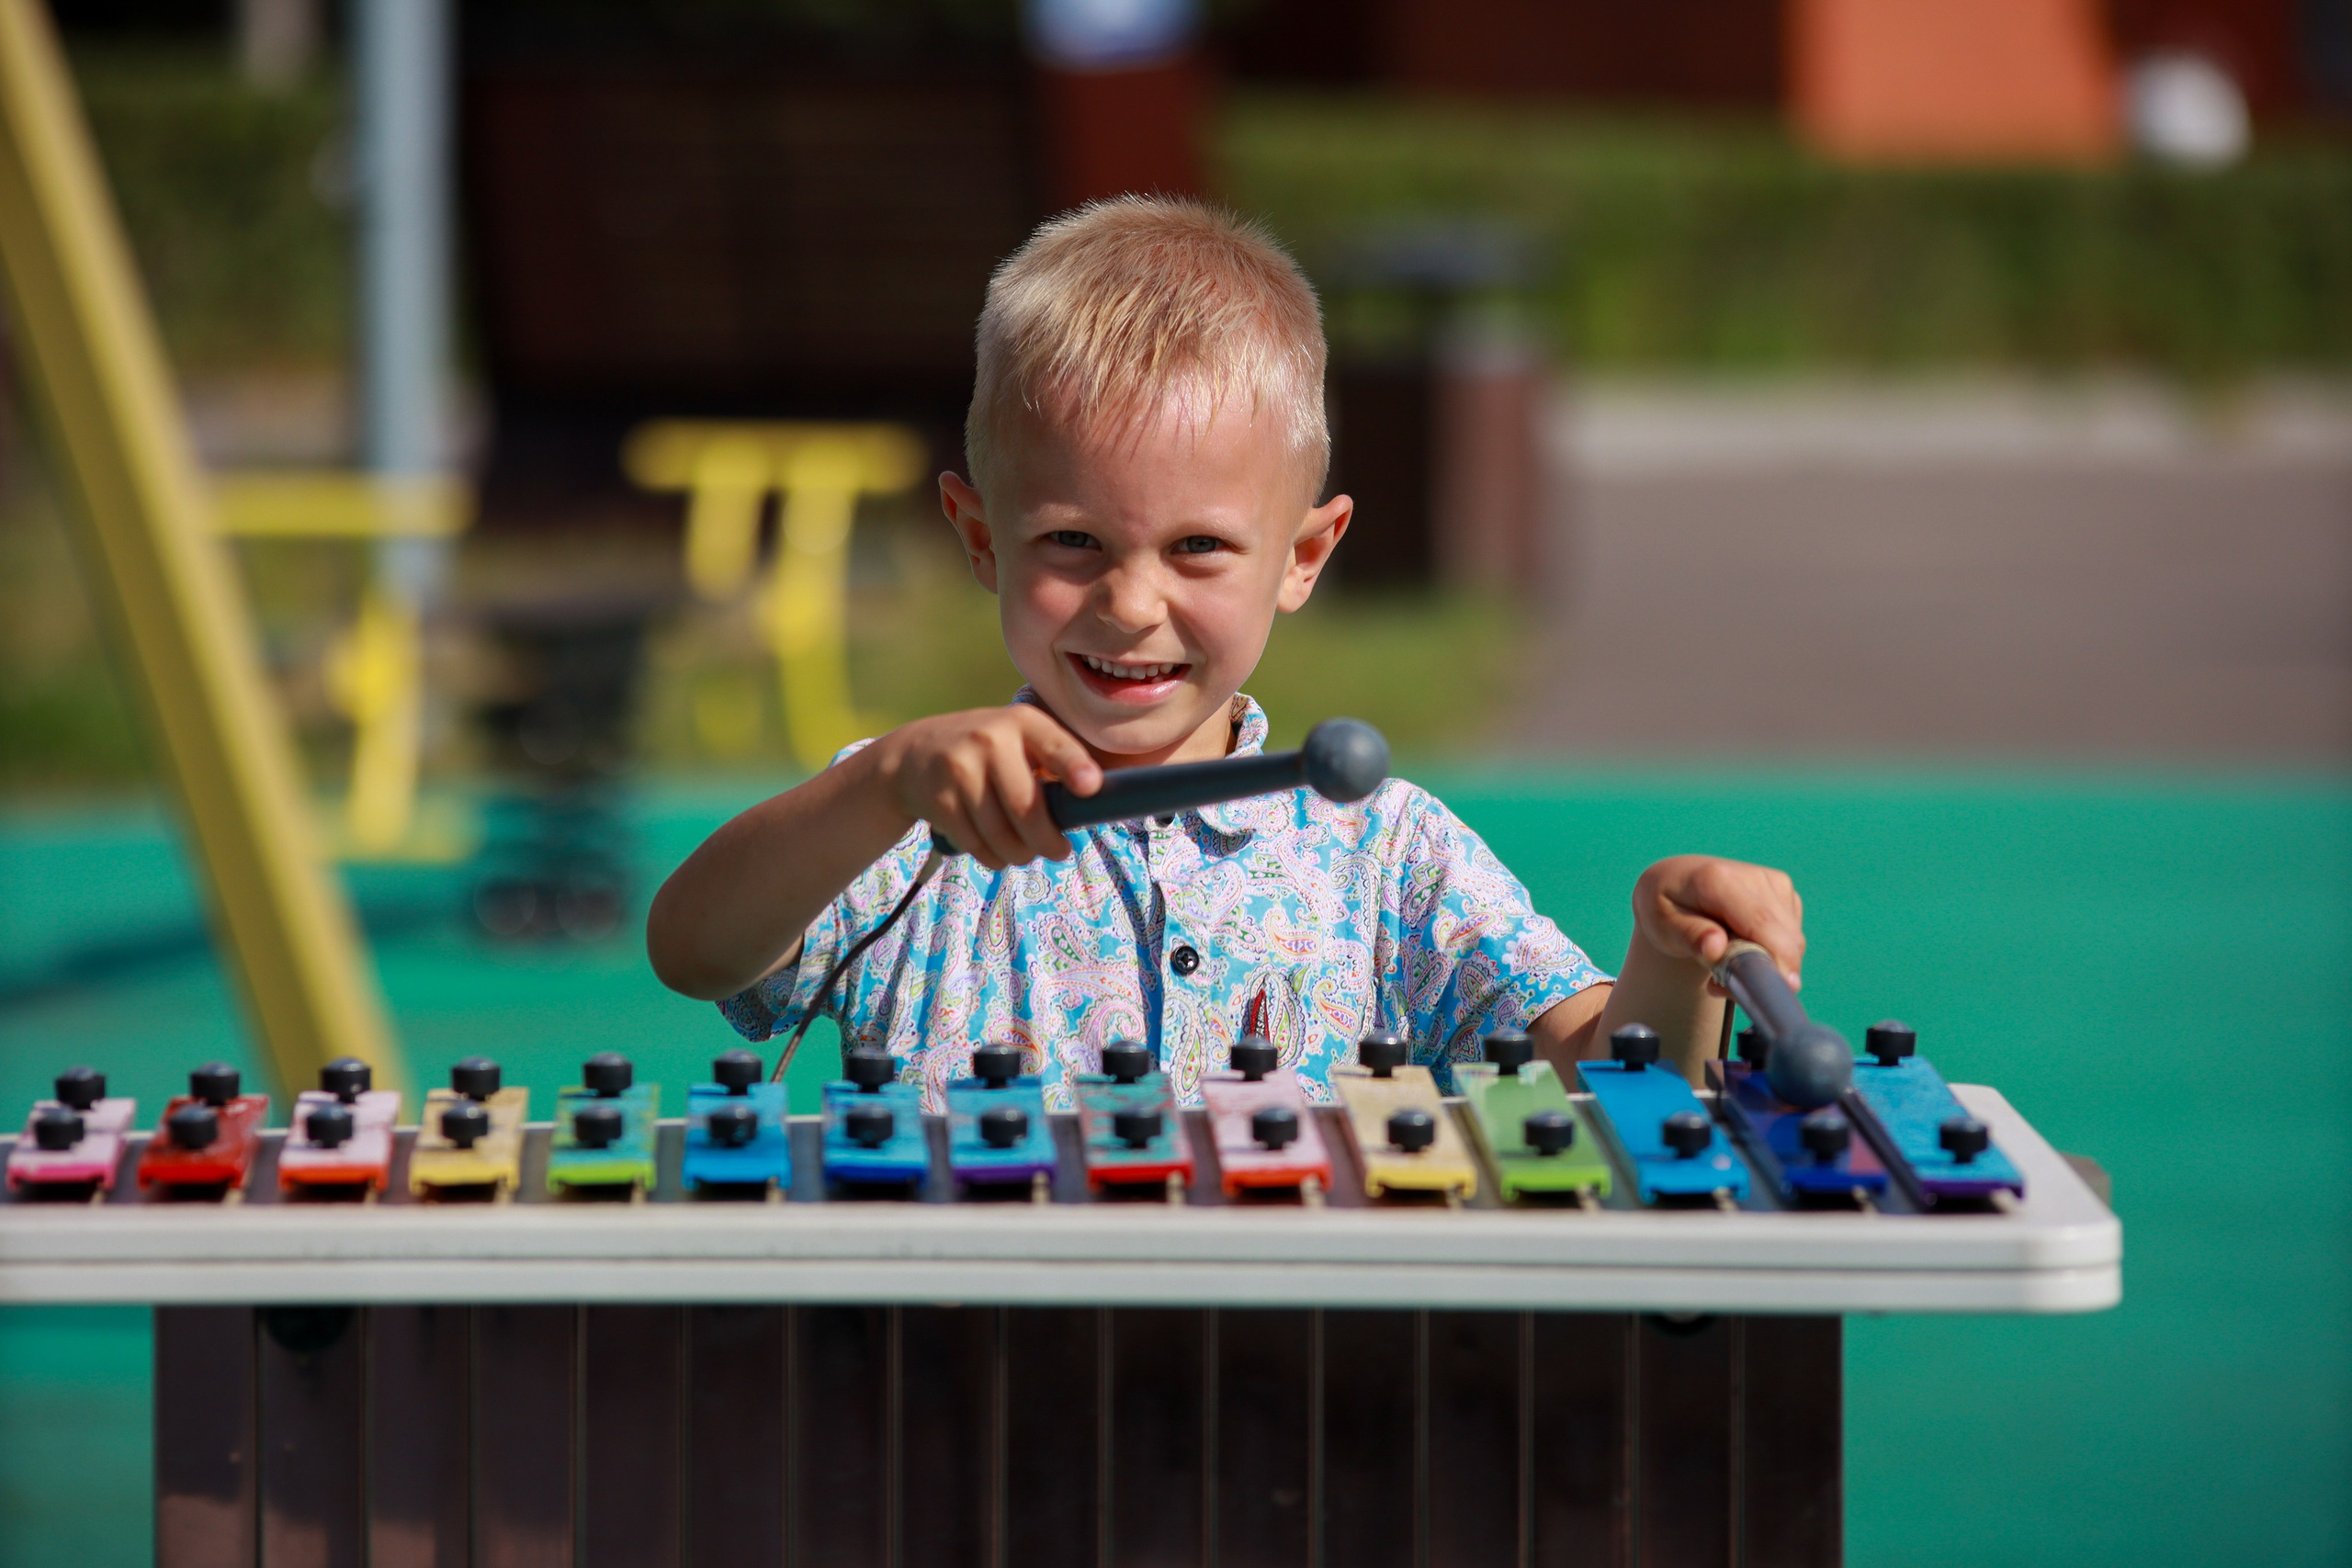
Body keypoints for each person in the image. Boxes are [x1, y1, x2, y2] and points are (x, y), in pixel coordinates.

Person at [647, 197, 1807, 1110]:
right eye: (1072, 542)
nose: (1131, 604)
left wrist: (1667, 955)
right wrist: (883, 779)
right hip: (962, 1389)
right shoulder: (900, 820)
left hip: (1291, 1396)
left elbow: (1614, 1080)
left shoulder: (1387, 853)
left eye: (1198, 546)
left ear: (1304, 555)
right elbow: (695, 952)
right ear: (977, 538)